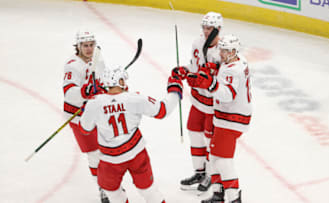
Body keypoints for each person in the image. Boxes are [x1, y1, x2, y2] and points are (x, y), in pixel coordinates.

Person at [78, 66, 183, 203]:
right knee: (149, 191)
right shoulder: (134, 98)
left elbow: (85, 129)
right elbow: (163, 110)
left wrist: (86, 108)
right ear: (120, 82)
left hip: (110, 160)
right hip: (136, 154)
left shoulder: (95, 104)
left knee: (115, 196)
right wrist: (174, 89)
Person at [186, 34, 252, 203]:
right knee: (215, 156)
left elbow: (228, 94)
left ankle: (234, 198)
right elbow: (219, 70)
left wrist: (210, 83)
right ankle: (218, 194)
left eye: (226, 50)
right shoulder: (236, 61)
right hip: (226, 117)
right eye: (222, 49)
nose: (222, 53)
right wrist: (209, 70)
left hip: (231, 119)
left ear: (234, 51)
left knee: (223, 161)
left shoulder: (234, 70)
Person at [175, 11, 223, 193]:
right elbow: (194, 67)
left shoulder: (223, 49)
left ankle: (211, 175)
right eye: (204, 27)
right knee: (194, 133)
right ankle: (199, 172)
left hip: (214, 105)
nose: (205, 31)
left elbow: (226, 79)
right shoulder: (197, 43)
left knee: (209, 140)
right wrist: (184, 71)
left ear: (217, 29)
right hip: (197, 100)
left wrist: (212, 74)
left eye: (209, 28)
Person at [63, 30, 109, 203]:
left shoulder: (99, 61)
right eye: (85, 46)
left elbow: (103, 82)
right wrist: (86, 90)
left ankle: (109, 183)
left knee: (106, 151)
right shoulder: (72, 65)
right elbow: (68, 93)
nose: (89, 49)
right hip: (77, 117)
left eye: (91, 45)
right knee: (94, 154)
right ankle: (103, 188)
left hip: (97, 113)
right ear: (78, 46)